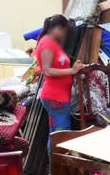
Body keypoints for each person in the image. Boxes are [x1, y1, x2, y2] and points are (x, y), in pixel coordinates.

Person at [34, 14, 83, 143]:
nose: (64, 34)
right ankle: (56, 162)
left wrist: (74, 68)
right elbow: (47, 71)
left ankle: (53, 162)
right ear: (56, 28)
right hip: (55, 96)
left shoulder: (51, 43)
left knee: (57, 132)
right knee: (62, 134)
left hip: (59, 96)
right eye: (63, 30)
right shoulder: (47, 44)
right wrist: (72, 70)